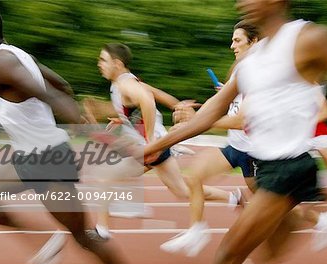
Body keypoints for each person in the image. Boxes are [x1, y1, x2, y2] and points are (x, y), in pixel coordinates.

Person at [144, 0, 327, 264]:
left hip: (288, 169)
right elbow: (213, 110)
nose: (243, 2)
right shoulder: (250, 62)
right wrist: (155, 146)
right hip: (264, 168)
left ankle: (319, 187)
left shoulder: (309, 38)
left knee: (225, 261)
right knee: (268, 255)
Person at [0, 3, 160, 264]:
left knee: (84, 236)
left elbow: (51, 95)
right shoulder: (18, 55)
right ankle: (45, 240)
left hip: (47, 161)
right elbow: (62, 86)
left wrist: (101, 137)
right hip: (28, 156)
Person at [92, 43, 235, 242]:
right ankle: (233, 198)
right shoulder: (124, 83)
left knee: (105, 177)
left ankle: (102, 231)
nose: (99, 64)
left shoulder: (126, 84)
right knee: (182, 190)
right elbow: (159, 96)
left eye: (103, 60)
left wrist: (151, 141)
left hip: (153, 147)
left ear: (117, 63)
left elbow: (148, 101)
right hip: (159, 146)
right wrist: (178, 107)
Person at [158, 21, 260, 257]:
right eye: (232, 39)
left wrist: (200, 121)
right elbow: (231, 108)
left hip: (255, 152)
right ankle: (197, 230)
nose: (231, 45)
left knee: (272, 204)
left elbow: (241, 121)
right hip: (235, 146)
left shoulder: (257, 74)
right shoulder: (238, 70)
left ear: (253, 42)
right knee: (194, 177)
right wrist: (225, 94)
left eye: (237, 40)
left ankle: (317, 218)